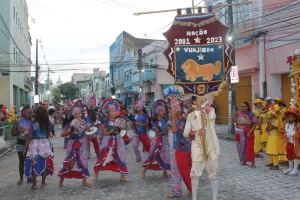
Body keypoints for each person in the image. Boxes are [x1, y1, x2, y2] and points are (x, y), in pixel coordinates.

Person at [183, 97, 220, 200]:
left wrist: (207, 110)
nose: (203, 99)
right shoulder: (191, 116)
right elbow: (186, 133)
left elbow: (213, 116)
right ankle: (194, 197)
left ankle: (214, 198)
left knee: (214, 171)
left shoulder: (210, 110)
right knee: (195, 172)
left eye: (204, 97)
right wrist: (197, 132)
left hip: (211, 146)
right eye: (200, 98)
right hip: (197, 146)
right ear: (194, 101)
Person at [94, 99, 129, 182]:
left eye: (115, 111)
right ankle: (95, 174)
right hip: (109, 142)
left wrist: (124, 129)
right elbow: (105, 133)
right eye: (112, 111)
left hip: (118, 141)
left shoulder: (119, 120)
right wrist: (113, 131)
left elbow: (123, 132)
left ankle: (122, 176)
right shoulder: (107, 121)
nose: (114, 112)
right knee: (104, 157)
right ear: (108, 113)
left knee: (121, 156)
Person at [58, 100, 91, 187]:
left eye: (80, 113)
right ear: (73, 115)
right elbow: (62, 134)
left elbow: (89, 131)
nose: (79, 115)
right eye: (77, 114)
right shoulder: (70, 124)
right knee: (70, 164)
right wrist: (71, 130)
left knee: (84, 161)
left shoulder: (83, 122)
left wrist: (87, 128)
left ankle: (84, 181)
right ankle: (61, 179)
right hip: (73, 145)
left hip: (82, 145)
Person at [166, 95, 192, 198]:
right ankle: (176, 191)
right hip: (177, 149)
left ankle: (191, 188)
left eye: (173, 108)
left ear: (177, 109)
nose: (171, 111)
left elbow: (174, 130)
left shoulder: (182, 120)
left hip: (183, 150)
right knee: (175, 171)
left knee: (185, 172)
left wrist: (172, 117)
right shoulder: (178, 119)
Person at [24, 106, 54, 189]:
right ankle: (43, 183)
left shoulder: (32, 124)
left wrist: (25, 148)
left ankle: (34, 184)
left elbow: (29, 136)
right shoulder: (48, 123)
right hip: (44, 144)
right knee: (44, 162)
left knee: (34, 162)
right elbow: (49, 134)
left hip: (34, 143)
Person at [141, 100, 170, 178]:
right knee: (154, 156)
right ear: (157, 113)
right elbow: (157, 134)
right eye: (161, 110)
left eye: (163, 110)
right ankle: (144, 171)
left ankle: (165, 172)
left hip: (165, 140)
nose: (163, 112)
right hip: (158, 140)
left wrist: (167, 139)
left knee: (166, 156)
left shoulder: (164, 120)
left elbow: (166, 131)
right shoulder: (156, 123)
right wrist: (165, 131)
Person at [11, 105, 32, 185]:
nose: (29, 114)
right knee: (22, 161)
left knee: (30, 160)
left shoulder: (32, 120)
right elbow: (12, 133)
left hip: (30, 143)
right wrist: (19, 131)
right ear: (23, 112)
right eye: (27, 112)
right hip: (20, 142)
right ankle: (21, 178)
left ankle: (30, 177)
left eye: (30, 112)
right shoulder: (18, 121)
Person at [233, 102, 257, 168]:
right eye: (241, 106)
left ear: (247, 107)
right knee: (241, 148)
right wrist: (234, 115)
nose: (242, 107)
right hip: (239, 132)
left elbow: (254, 124)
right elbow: (234, 121)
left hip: (248, 132)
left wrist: (249, 132)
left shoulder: (251, 114)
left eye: (244, 106)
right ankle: (243, 161)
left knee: (249, 147)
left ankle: (253, 162)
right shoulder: (239, 113)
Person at [279, 107, 300, 175]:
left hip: (295, 143)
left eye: (291, 117)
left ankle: (295, 170)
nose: (290, 118)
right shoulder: (286, 125)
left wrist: (292, 134)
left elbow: (297, 133)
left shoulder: (297, 125)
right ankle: (290, 168)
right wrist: (286, 134)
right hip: (289, 142)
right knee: (289, 154)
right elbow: (283, 131)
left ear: (295, 118)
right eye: (289, 117)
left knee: (295, 155)